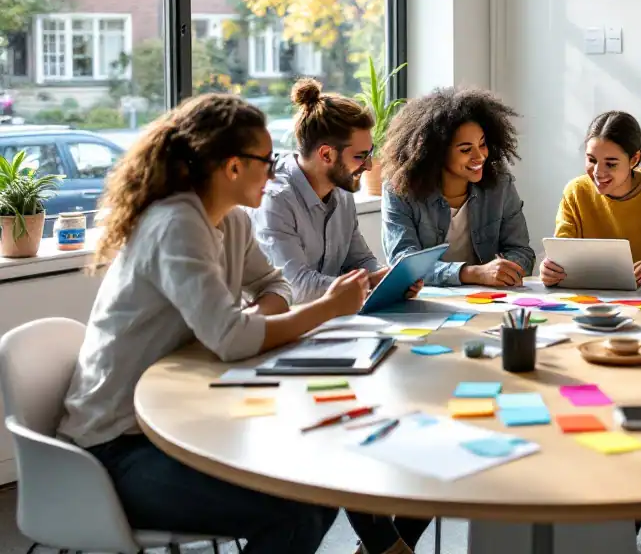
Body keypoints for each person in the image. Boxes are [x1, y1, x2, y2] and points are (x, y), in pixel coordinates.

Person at [57, 94, 419, 554]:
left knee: (322, 484)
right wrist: (322, 308)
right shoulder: (175, 224)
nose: (275, 170)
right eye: (266, 161)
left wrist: (251, 322)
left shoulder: (230, 222)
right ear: (232, 166)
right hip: (116, 449)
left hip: (174, 421)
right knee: (298, 508)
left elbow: (274, 285)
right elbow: (231, 339)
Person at [252, 78, 421, 305]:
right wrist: (369, 281)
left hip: (329, 321)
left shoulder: (342, 192)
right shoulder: (275, 199)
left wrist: (389, 280)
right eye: (360, 156)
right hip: (281, 324)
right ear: (326, 155)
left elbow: (359, 260)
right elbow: (295, 287)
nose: (369, 166)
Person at [381, 87, 535, 287]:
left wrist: (506, 269)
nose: (479, 156)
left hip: (489, 299)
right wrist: (472, 273)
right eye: (465, 149)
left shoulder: (500, 185)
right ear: (435, 152)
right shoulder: (399, 192)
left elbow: (522, 251)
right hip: (427, 304)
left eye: (482, 144)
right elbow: (404, 265)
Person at [541, 111, 641, 287]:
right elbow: (561, 256)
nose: (598, 173)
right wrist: (550, 270)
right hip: (592, 301)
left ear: (634, 159)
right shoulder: (576, 192)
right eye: (591, 160)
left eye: (611, 164)